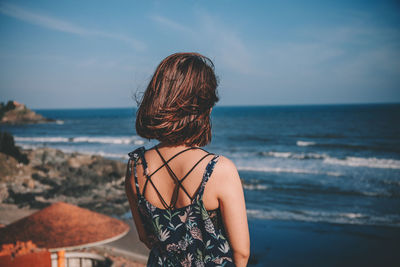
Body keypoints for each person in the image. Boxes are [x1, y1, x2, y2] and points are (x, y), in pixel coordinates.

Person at [125, 52, 250, 267]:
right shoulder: (219, 169)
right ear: (204, 108)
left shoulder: (135, 166)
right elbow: (242, 253)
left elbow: (145, 237)